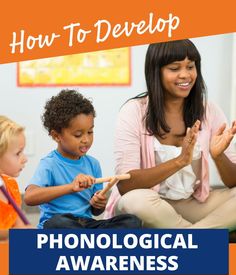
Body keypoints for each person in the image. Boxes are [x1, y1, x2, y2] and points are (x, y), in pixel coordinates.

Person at [105, 39, 236, 233]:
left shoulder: (209, 111)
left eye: (190, 66)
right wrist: (179, 161)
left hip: (190, 204)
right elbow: (126, 185)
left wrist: (218, 156)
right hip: (149, 204)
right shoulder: (134, 111)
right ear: (155, 71)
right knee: (134, 201)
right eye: (174, 68)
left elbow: (232, 181)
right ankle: (208, 233)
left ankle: (193, 237)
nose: (185, 75)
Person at [24, 89, 141, 229]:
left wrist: (99, 204)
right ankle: (92, 244)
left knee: (131, 221)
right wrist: (70, 187)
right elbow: (29, 197)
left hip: (86, 224)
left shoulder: (93, 164)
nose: (86, 140)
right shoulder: (49, 164)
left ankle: (86, 242)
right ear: (56, 136)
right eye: (78, 135)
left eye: (90, 132)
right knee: (59, 223)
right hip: (59, 222)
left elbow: (95, 211)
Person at [0, 116, 32, 240]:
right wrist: (13, 233)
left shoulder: (11, 186)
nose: (25, 159)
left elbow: (18, 224)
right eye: (18, 153)